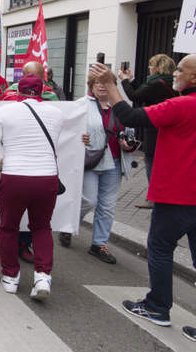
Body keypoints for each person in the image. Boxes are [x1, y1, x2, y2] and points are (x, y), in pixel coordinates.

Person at [90, 56, 196, 334]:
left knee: (160, 249)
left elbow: (131, 116)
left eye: (181, 70)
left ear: (194, 79)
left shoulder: (182, 105)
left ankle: (157, 307)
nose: (175, 74)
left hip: (176, 195)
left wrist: (110, 84)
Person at [0, 74, 63, 301]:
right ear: (43, 90)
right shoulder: (56, 113)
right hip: (46, 178)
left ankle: (10, 277)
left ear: (18, 91)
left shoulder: (5, 111)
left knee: (8, 228)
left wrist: (0, 163)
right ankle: (43, 275)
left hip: (15, 177)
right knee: (42, 227)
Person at [58, 72, 135, 262]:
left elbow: (130, 131)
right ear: (91, 85)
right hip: (91, 160)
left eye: (105, 83)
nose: (101, 86)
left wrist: (128, 143)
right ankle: (69, 225)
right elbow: (66, 131)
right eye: (97, 83)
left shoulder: (120, 107)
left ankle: (99, 243)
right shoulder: (80, 106)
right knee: (89, 200)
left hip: (115, 162)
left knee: (107, 205)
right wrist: (79, 138)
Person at [118, 54, 177, 208]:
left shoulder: (156, 84)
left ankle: (154, 197)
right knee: (165, 163)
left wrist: (124, 80)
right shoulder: (170, 83)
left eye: (151, 65)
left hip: (154, 128)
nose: (149, 68)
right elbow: (143, 92)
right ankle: (165, 194)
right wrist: (131, 80)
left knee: (151, 161)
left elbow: (134, 96)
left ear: (158, 67)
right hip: (168, 128)